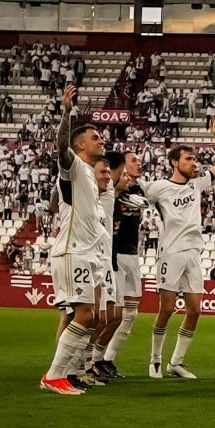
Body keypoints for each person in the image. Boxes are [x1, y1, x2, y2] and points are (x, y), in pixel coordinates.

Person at [143, 117, 215, 378]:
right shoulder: (160, 188)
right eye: (188, 159)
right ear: (174, 162)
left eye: (194, 159)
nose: (193, 163)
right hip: (170, 250)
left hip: (193, 251)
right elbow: (135, 194)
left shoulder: (197, 183)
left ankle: (176, 362)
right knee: (167, 309)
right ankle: (155, 359)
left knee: (194, 310)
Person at [41, 85, 106, 395]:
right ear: (80, 145)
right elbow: (60, 147)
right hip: (72, 251)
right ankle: (54, 376)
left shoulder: (90, 177)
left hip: (87, 253)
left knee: (87, 317)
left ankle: (64, 373)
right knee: (83, 315)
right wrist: (67, 112)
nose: (101, 139)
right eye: (95, 137)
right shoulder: (74, 165)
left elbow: (57, 202)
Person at [91, 151, 145, 380]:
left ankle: (106, 360)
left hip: (131, 255)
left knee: (128, 315)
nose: (138, 164)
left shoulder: (139, 191)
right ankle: (91, 360)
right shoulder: (106, 195)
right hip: (113, 258)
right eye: (132, 161)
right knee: (111, 315)